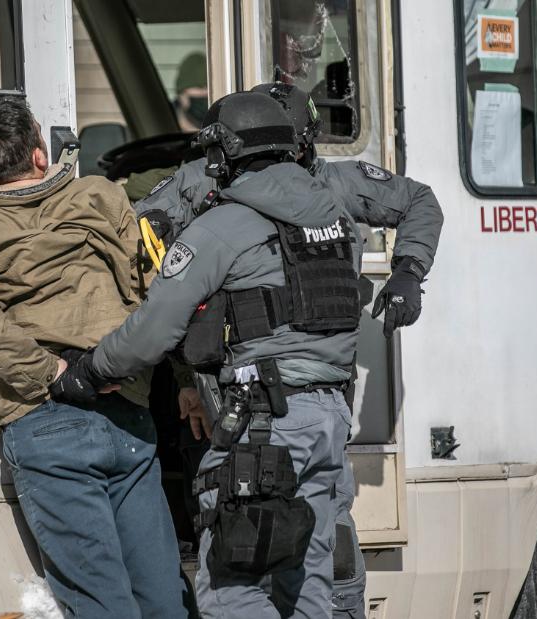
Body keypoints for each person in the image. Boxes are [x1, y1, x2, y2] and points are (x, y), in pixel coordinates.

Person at [134, 82, 444, 619]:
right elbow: (150, 254)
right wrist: (185, 377)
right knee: (241, 541)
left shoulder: (332, 183)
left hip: (320, 402)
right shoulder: (204, 180)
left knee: (325, 544)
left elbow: (418, 201)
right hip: (234, 398)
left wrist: (408, 272)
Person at [55, 91, 365, 618]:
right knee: (307, 582)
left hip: (265, 425)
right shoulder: (337, 222)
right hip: (329, 420)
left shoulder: (220, 229)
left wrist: (87, 371)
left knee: (232, 588)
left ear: (222, 157)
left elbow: (151, 332)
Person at [0, 97, 187, 619]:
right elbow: (154, 289)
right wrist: (155, 372)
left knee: (100, 605)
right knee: (164, 601)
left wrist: (56, 373)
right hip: (127, 415)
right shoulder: (100, 197)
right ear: (41, 155)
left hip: (46, 424)